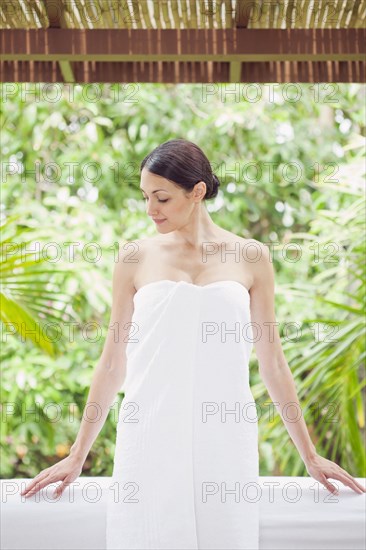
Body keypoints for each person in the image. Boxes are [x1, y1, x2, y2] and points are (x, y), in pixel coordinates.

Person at [21, 139, 365, 549]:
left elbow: (272, 362)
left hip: (225, 434)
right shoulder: (134, 257)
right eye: (146, 197)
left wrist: (309, 455)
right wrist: (78, 455)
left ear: (197, 191)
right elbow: (113, 363)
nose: (151, 210)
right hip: (149, 433)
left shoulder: (250, 256)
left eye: (162, 198)